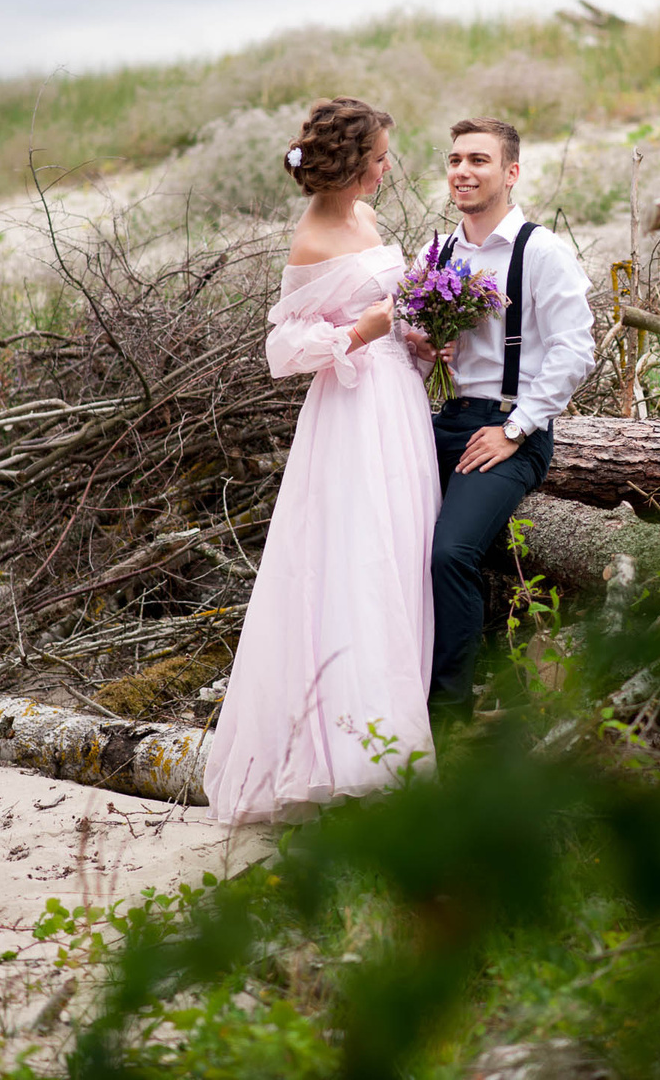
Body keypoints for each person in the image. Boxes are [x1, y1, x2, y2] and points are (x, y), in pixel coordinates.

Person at [204, 97, 439, 825]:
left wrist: (421, 336)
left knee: (403, 551)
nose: (386, 168)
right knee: (354, 562)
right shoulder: (309, 242)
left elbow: (396, 309)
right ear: (348, 164)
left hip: (398, 401)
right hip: (350, 414)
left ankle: (399, 721)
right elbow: (285, 351)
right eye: (377, 159)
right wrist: (363, 330)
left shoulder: (367, 221)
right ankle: (352, 758)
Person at [418, 117, 595, 721]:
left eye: (479, 161)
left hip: (509, 430)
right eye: (454, 160)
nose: (462, 172)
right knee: (386, 542)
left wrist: (517, 428)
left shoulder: (541, 252)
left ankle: (447, 717)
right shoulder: (436, 252)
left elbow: (576, 351)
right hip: (444, 419)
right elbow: (409, 342)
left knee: (449, 554)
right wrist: (424, 347)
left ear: (511, 172)